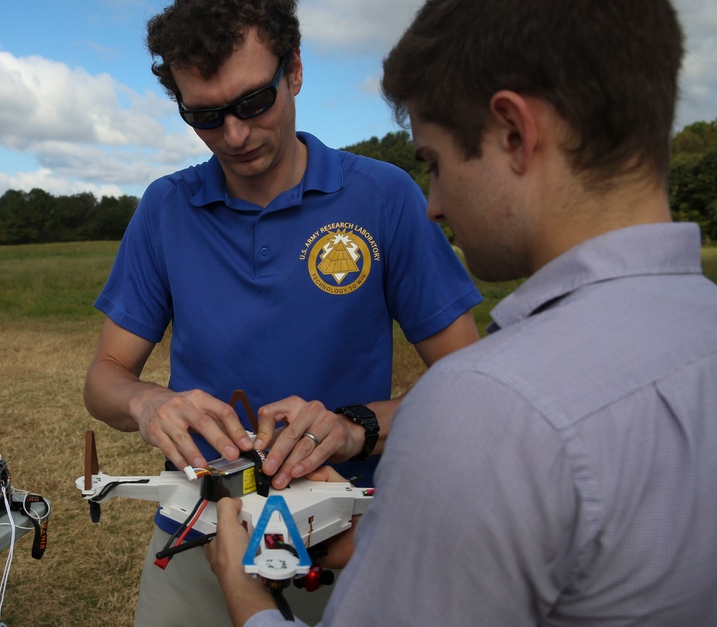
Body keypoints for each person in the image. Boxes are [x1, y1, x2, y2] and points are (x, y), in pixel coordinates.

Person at [204, 0, 717, 625]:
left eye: (436, 163)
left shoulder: (486, 407)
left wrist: (246, 593)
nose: (433, 206)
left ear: (514, 134)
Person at [82, 0, 482, 624]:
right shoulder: (165, 208)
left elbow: (472, 385)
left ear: (294, 70)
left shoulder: (382, 197)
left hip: (341, 529)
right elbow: (105, 376)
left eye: (252, 103)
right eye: (206, 117)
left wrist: (356, 427)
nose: (234, 136)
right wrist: (146, 402)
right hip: (201, 525)